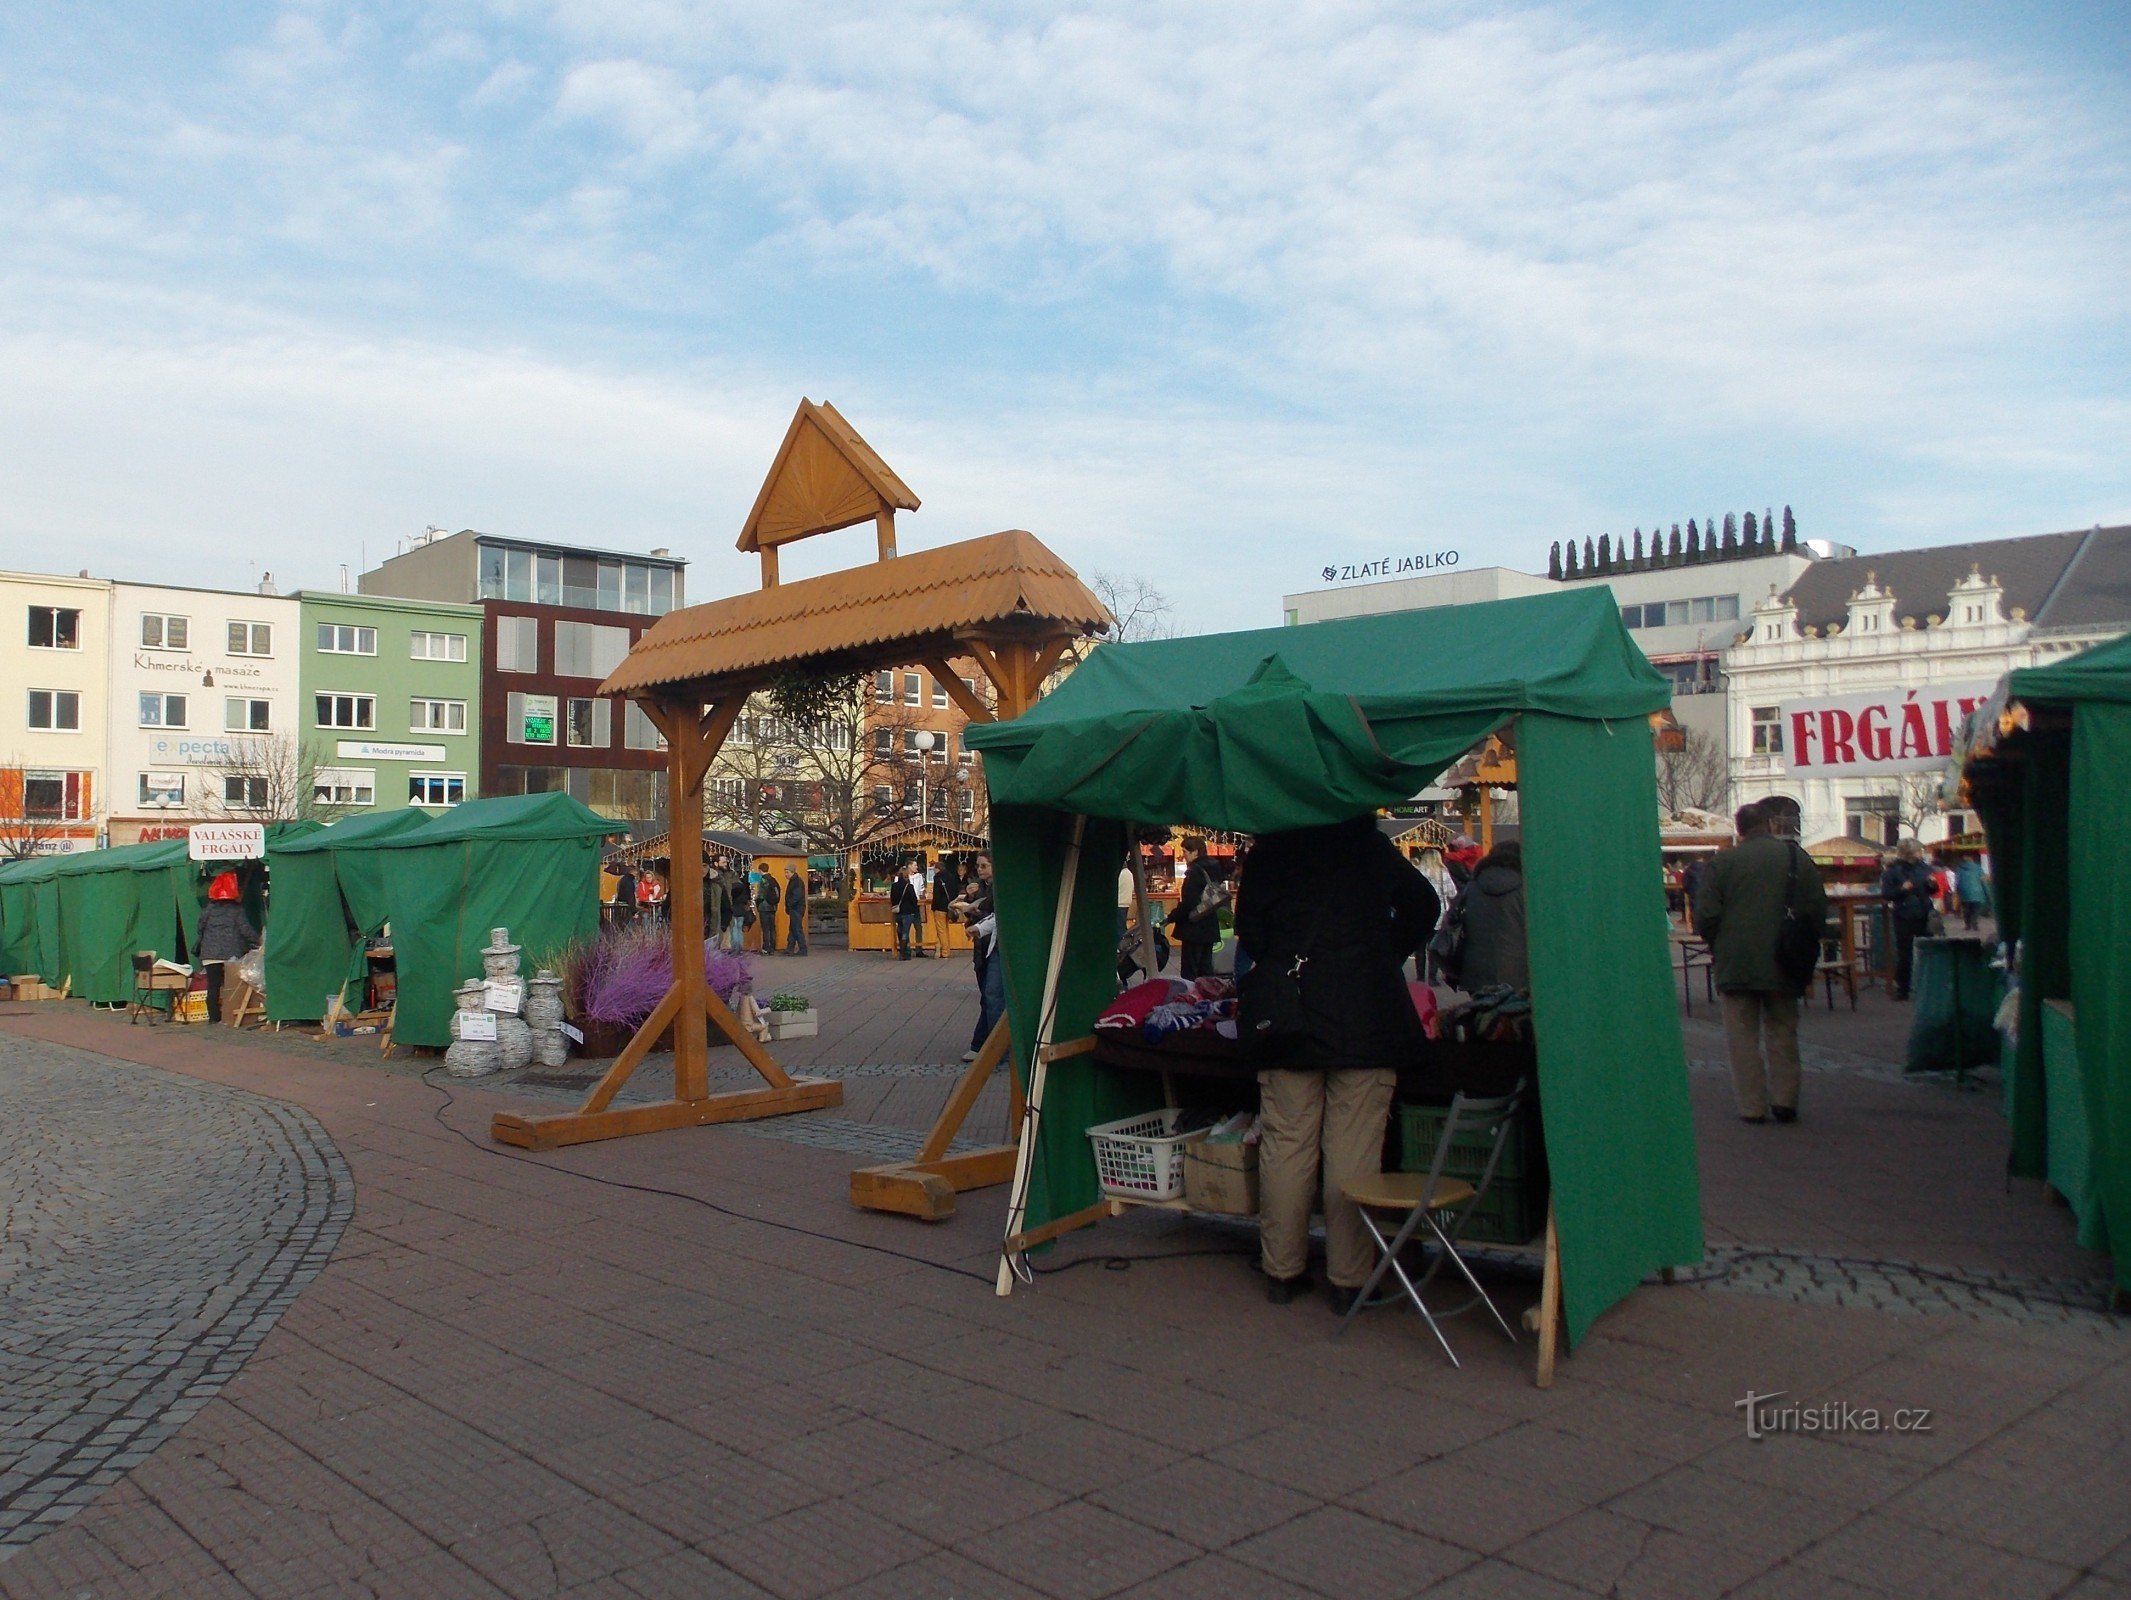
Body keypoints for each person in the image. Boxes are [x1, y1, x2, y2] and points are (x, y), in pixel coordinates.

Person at [1235, 814, 1441, 1312]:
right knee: (1354, 1149)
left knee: (1286, 1145)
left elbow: (1248, 929)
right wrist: (1380, 952)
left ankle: (1281, 1270)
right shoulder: (1368, 846)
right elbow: (1424, 905)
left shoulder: (1272, 849)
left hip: (1288, 1019)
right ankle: (1348, 1279)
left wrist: (1286, 961)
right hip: (1368, 1016)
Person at [1696, 801, 1828, 1124]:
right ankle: (1785, 1100)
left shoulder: (1723, 863)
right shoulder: (1797, 858)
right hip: (1784, 960)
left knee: (1741, 1036)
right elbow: (1817, 908)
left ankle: (1751, 1106)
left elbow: (1707, 916)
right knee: (1783, 1029)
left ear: (1739, 830)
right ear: (1769, 824)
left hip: (1736, 962)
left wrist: (1719, 943)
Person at [1452, 839, 1528, 992]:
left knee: (1483, 1013)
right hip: (1519, 971)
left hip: (1475, 971)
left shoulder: (1472, 886)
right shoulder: (1526, 887)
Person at [951, 852, 1005, 1062]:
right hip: (988, 946)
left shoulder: (999, 886)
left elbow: (994, 913)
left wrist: (975, 914)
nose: (979, 870)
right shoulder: (985, 887)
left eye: (984, 866)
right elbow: (995, 915)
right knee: (991, 998)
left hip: (996, 947)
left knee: (992, 998)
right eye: (978, 866)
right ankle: (985, 1045)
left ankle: (991, 1047)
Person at [196, 871, 259, 1025]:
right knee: (231, 986)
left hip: (209, 954)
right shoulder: (236, 910)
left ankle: (213, 1017)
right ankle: (229, 1014)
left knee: (213, 986)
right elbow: (245, 930)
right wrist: (257, 940)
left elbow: (200, 928)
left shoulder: (209, 910)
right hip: (231, 955)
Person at [1879, 838, 1938, 1000]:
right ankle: (1903, 988)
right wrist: (1902, 890)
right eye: (1919, 851)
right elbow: (1887, 894)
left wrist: (1932, 885)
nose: (1921, 853)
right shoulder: (1892, 871)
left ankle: (1927, 986)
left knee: (1928, 950)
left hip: (1924, 912)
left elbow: (1932, 891)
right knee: (1905, 953)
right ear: (1910, 853)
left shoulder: (1925, 869)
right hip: (1904, 914)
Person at [1166, 836, 1228, 979]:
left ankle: (1191, 998)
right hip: (1210, 923)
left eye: (1185, 852)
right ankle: (1207, 997)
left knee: (1191, 971)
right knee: (1206, 969)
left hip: (1194, 927)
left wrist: (1172, 917)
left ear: (1195, 852)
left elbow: (1189, 902)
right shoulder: (1215, 867)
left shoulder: (1195, 872)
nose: (1184, 856)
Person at [889, 860, 925, 959]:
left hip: (900, 910)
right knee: (907, 930)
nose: (917, 867)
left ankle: (905, 951)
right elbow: (914, 898)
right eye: (915, 865)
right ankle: (909, 951)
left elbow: (893, 898)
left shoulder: (895, 885)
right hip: (911, 909)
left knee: (902, 930)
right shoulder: (909, 886)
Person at [930, 856, 959, 957]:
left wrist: (934, 906)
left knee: (941, 930)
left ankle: (945, 952)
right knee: (945, 929)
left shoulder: (937, 877)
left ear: (938, 868)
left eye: (934, 868)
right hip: (950, 906)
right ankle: (941, 950)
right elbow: (956, 891)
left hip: (940, 907)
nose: (933, 870)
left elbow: (936, 893)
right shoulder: (951, 876)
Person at [1955, 855, 1990, 933]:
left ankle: (1967, 925)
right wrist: (1988, 892)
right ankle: (1974, 923)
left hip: (1964, 892)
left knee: (1966, 909)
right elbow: (1983, 882)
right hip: (1978, 892)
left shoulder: (1959, 869)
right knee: (1976, 909)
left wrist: (1957, 891)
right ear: (1972, 861)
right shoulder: (1978, 869)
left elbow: (1957, 882)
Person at [783, 864, 809, 957]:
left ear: (792, 872)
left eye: (787, 872)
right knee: (793, 928)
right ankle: (790, 948)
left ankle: (803, 949)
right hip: (795, 908)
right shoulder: (794, 881)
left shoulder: (796, 882)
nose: (785, 874)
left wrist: (789, 904)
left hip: (796, 908)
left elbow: (796, 896)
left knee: (797, 929)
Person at [754, 867, 781, 954]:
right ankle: (773, 947)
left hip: (764, 907)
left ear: (760, 870)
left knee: (765, 928)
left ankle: (766, 947)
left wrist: (756, 901)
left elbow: (761, 895)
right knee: (772, 927)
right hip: (773, 907)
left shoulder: (763, 880)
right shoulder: (773, 880)